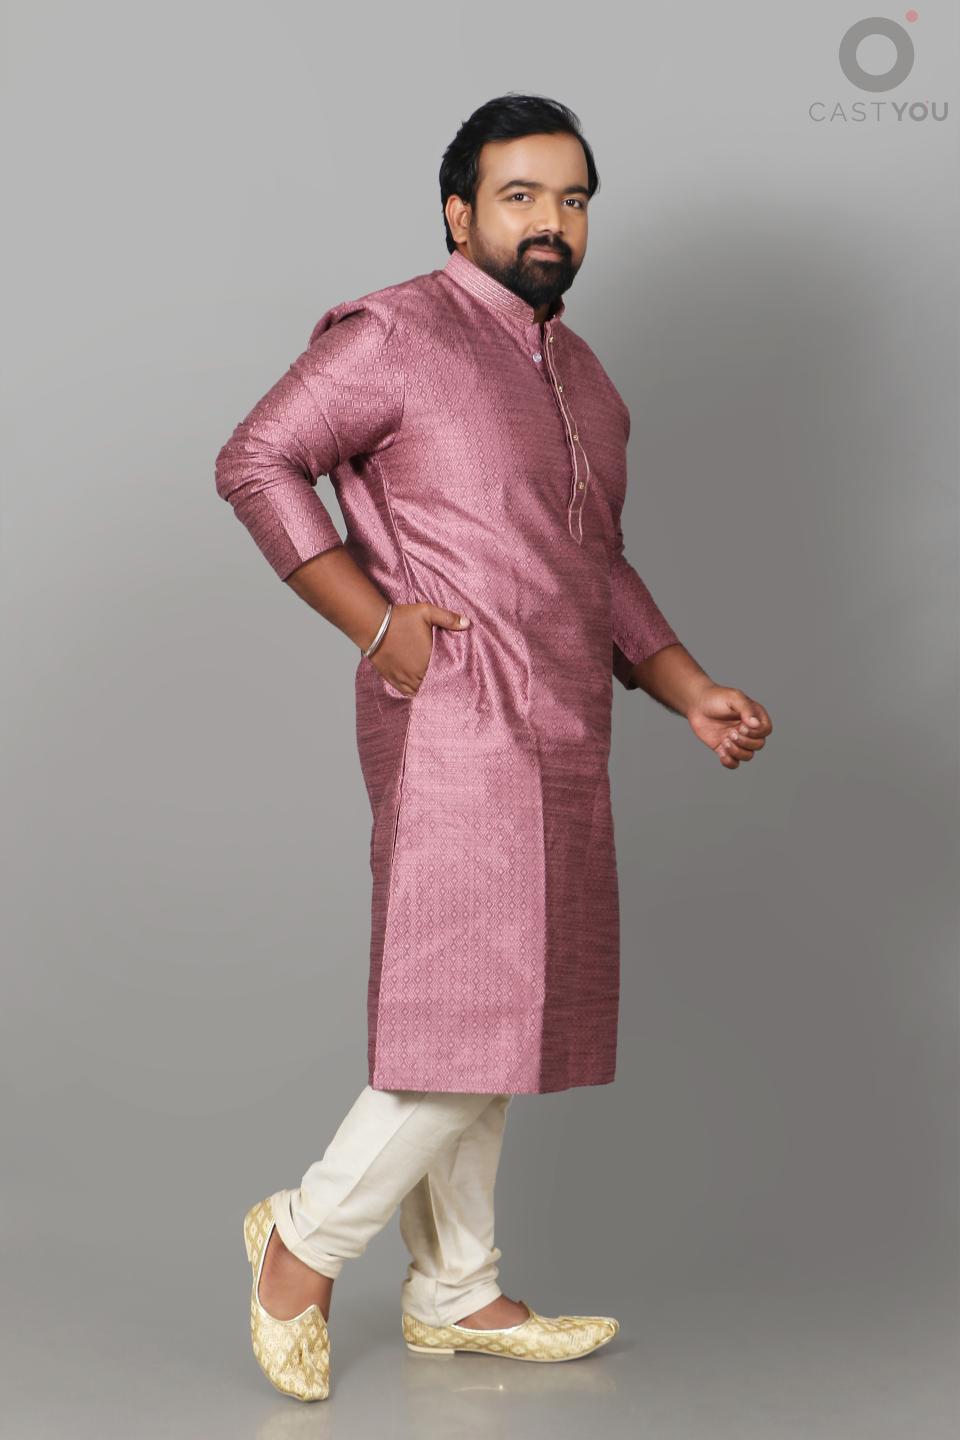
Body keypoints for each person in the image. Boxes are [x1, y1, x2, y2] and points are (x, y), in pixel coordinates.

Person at [216, 92, 772, 1403]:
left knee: (497, 1011)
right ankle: (303, 1242)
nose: (550, 221)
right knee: (464, 1006)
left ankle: (458, 1288)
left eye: (572, 198)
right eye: (520, 196)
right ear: (458, 213)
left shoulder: (588, 380)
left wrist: (688, 687)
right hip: (454, 720)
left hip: (566, 730)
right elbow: (257, 461)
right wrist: (375, 624)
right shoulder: (395, 333)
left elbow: (596, 563)